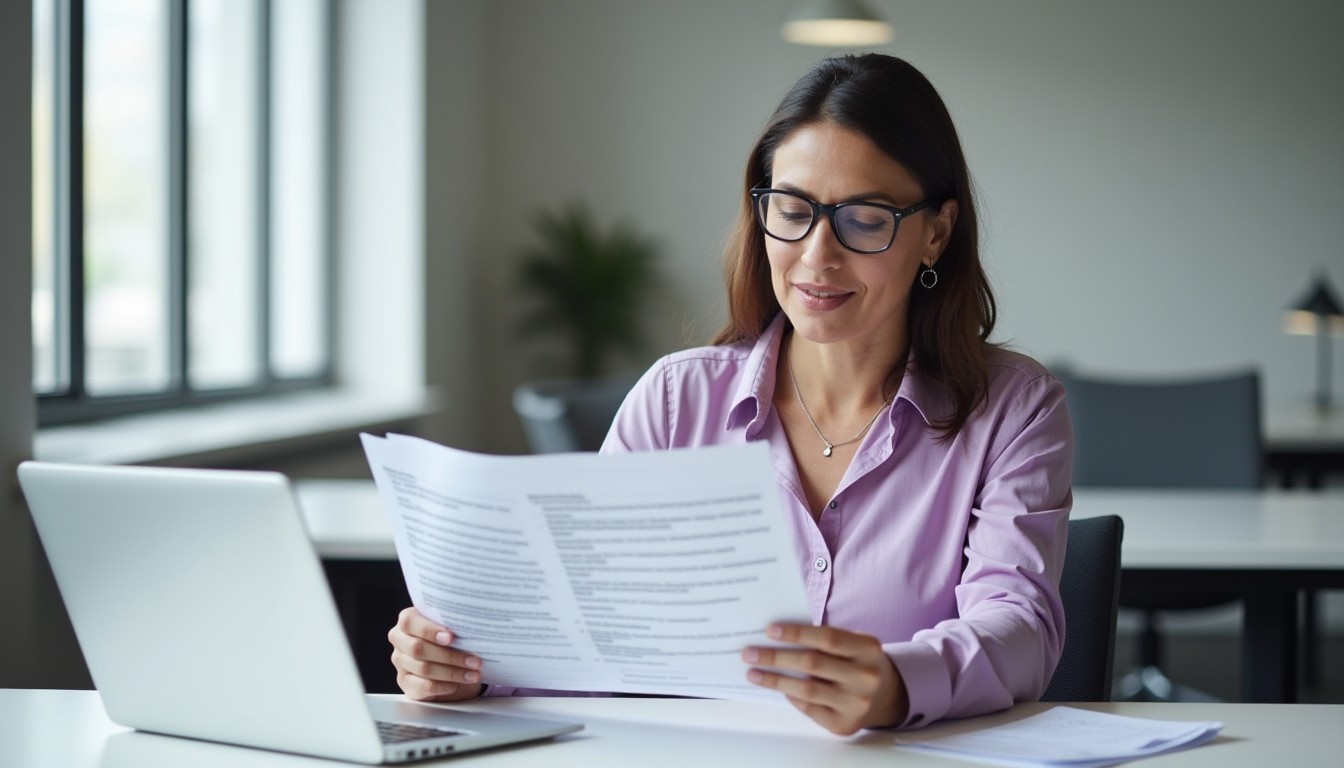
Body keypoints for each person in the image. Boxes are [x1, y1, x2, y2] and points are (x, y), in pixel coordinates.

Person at [387, 53, 1072, 735]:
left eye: (864, 219)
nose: (816, 255)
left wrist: (899, 684)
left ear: (937, 233)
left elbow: (1019, 627)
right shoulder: (673, 401)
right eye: (793, 210)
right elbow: (586, 623)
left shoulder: (1014, 408)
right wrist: (468, 664)